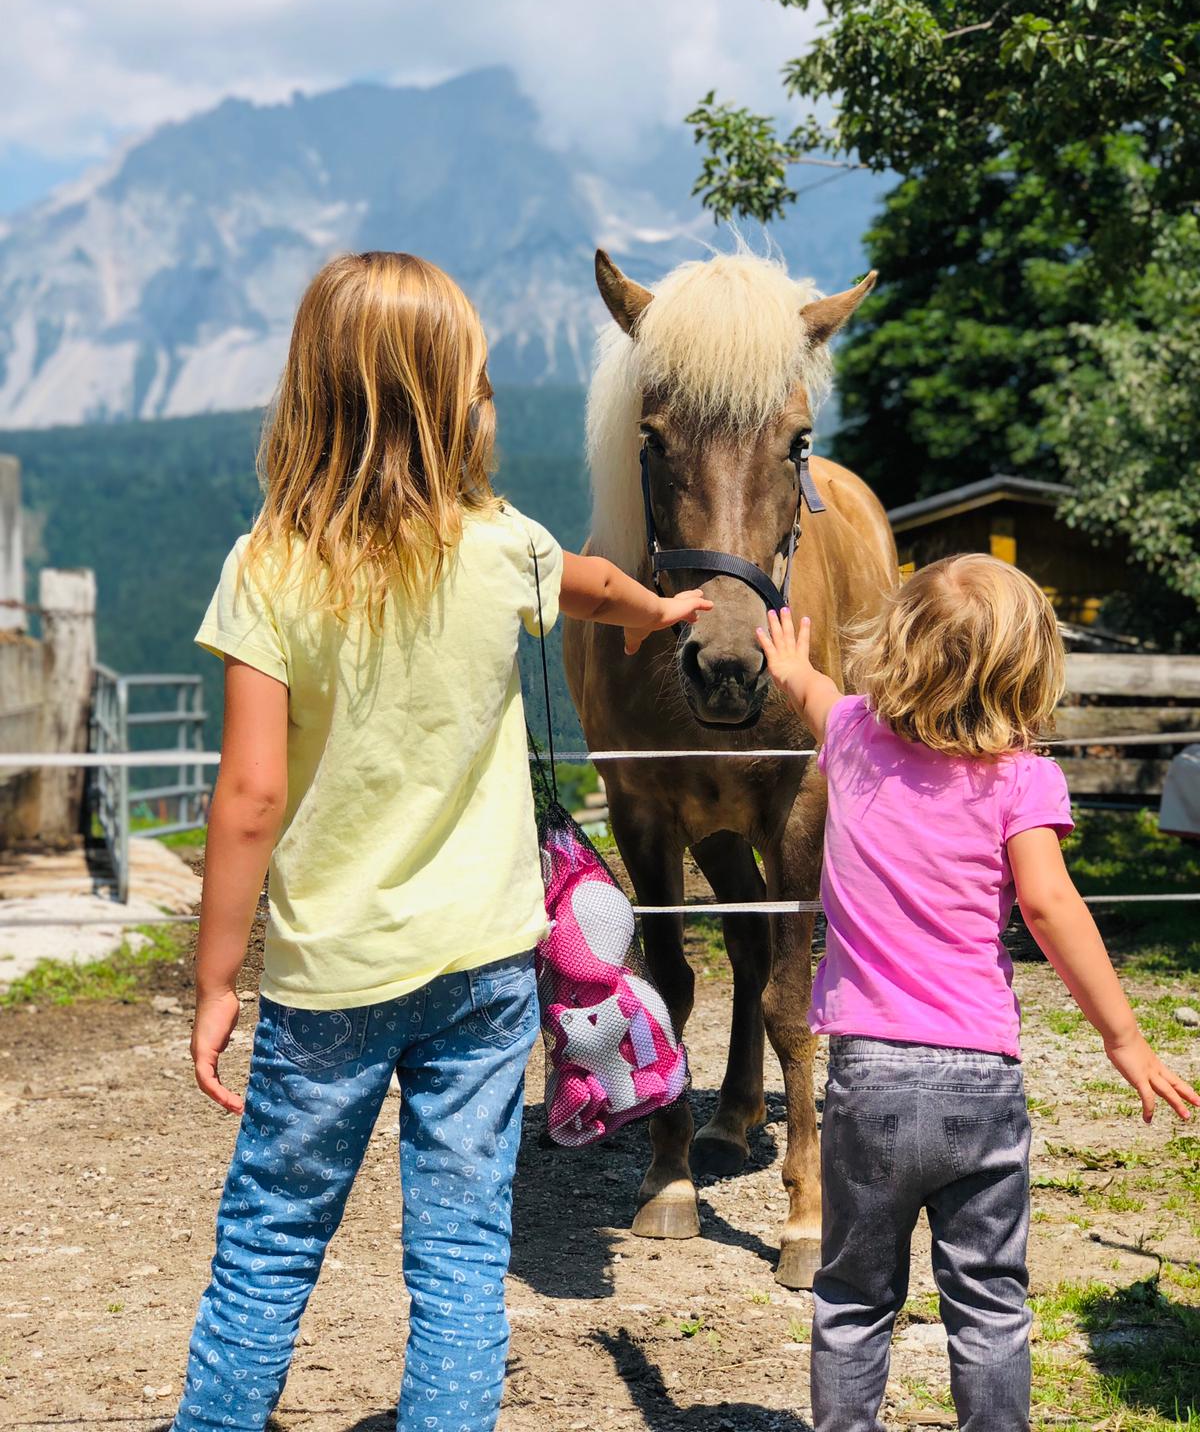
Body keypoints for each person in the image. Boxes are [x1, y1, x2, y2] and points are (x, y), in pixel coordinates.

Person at [170, 251, 711, 1432]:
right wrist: (659, 609)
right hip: (484, 966)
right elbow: (594, 581)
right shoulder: (501, 543)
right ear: (451, 402)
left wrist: (215, 978)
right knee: (462, 1252)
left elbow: (251, 795)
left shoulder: (270, 566)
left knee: (271, 1241)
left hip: (332, 979)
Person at [755, 557, 1197, 1432]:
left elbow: (815, 694)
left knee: (852, 1298)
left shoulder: (851, 739)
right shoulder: (1023, 779)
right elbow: (1049, 905)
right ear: (1026, 667)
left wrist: (790, 665)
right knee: (991, 1303)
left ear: (898, 646)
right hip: (978, 1079)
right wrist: (1123, 1037)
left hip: (869, 1076)